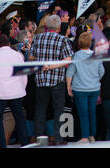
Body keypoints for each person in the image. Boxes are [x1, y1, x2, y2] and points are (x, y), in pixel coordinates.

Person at [28, 15, 74, 146]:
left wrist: (42, 63)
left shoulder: (37, 38)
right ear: (59, 27)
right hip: (57, 79)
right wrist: (52, 65)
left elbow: (31, 57)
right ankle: (58, 138)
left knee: (40, 108)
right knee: (58, 109)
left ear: (47, 26)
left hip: (41, 79)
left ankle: (38, 137)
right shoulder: (63, 40)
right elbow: (68, 60)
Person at [66, 32, 104, 143]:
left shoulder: (76, 56)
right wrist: (96, 79)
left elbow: (70, 73)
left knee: (83, 113)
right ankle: (92, 135)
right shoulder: (96, 55)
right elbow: (102, 71)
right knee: (92, 111)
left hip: (79, 89)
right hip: (94, 88)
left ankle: (84, 137)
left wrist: (68, 86)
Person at [0, 34, 28, 148]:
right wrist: (23, 88)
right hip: (16, 91)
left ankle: (2, 144)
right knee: (19, 118)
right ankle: (24, 143)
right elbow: (23, 74)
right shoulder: (17, 55)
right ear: (8, 44)